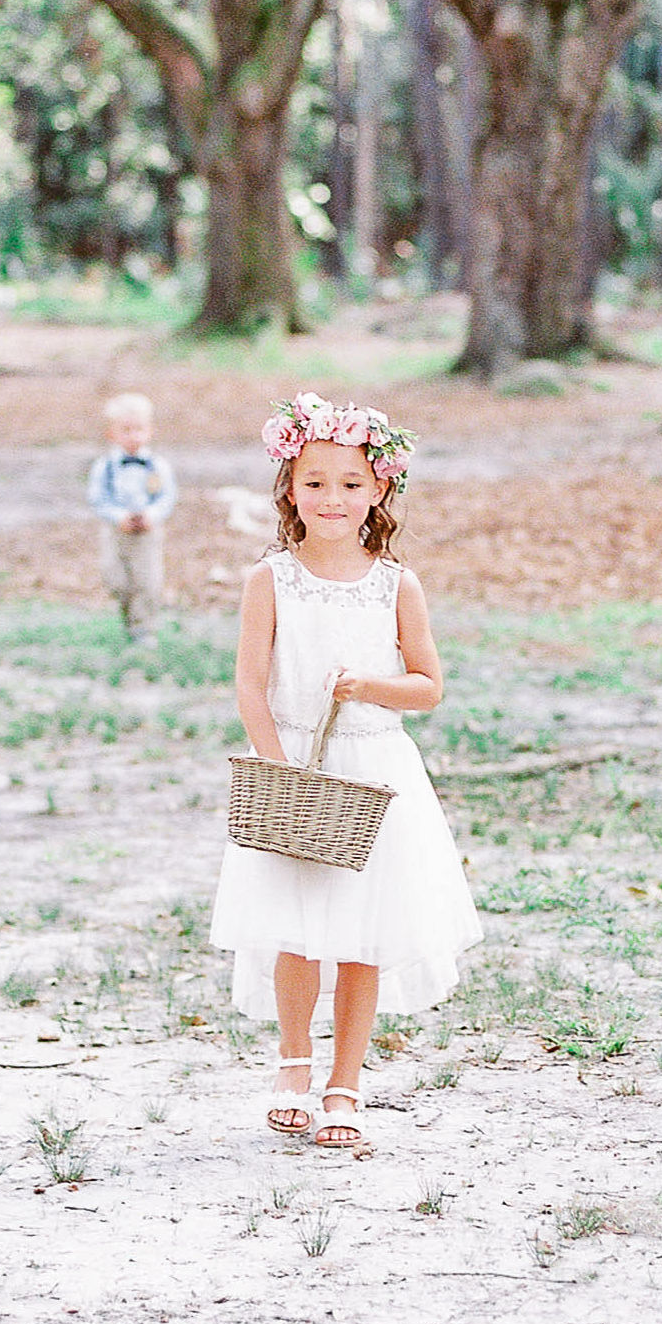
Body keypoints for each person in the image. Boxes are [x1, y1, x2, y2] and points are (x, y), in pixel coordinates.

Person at [211, 392, 478, 1152]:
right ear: (291, 488)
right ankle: (294, 1062)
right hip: (298, 765)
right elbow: (248, 684)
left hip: (375, 770)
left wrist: (369, 685)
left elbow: (428, 685)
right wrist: (277, 763)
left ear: (380, 491)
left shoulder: (397, 584)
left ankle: (345, 1081)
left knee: (365, 931)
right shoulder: (272, 579)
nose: (334, 498)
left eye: (352, 484)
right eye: (317, 482)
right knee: (296, 928)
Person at [86, 392, 177, 636]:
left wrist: (151, 515)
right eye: (125, 430)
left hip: (148, 531)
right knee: (116, 579)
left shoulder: (157, 466)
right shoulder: (105, 467)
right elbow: (98, 498)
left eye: (139, 429)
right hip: (116, 531)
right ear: (112, 433)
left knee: (147, 581)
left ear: (149, 431)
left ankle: (145, 629)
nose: (133, 436)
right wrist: (118, 516)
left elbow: (166, 497)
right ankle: (128, 618)